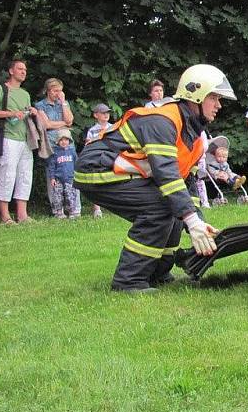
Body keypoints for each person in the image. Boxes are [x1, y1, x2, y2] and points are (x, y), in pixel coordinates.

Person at [74, 64, 234, 293]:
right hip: (96, 167)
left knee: (176, 209)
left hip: (118, 168)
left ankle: (158, 273)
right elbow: (166, 174)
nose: (219, 105)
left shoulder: (195, 137)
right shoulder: (164, 121)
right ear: (196, 94)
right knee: (160, 206)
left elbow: (185, 187)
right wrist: (191, 220)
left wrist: (197, 222)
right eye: (214, 97)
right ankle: (129, 281)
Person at [0, 59, 39, 225]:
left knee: (25, 175)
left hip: (25, 139)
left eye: (25, 69)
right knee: (7, 174)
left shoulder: (25, 94)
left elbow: (24, 114)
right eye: (20, 68)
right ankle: (5, 216)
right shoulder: (0, 89)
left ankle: (22, 215)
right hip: (8, 137)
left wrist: (31, 111)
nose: (23, 72)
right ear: (11, 71)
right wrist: (10, 114)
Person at [35, 77, 80, 217]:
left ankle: (74, 208)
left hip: (67, 144)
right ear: (48, 91)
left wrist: (64, 103)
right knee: (53, 175)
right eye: (55, 91)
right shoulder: (40, 106)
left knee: (71, 174)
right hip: (51, 144)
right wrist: (64, 124)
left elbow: (70, 120)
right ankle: (57, 209)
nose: (58, 93)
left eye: (60, 91)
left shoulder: (63, 103)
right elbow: (46, 125)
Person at [84, 103, 114, 218]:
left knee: (111, 181)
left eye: (107, 112)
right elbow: (88, 144)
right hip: (97, 157)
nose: (106, 115)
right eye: (103, 113)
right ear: (96, 115)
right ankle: (97, 209)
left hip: (110, 156)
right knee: (96, 182)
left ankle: (113, 206)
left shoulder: (113, 127)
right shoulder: (92, 130)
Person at [47, 129, 78, 219]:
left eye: (66, 140)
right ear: (58, 142)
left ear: (69, 141)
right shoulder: (55, 153)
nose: (64, 142)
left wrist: (77, 175)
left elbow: (76, 164)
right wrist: (52, 178)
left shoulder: (72, 152)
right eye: (61, 140)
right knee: (57, 195)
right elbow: (52, 166)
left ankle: (71, 211)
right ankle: (59, 212)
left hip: (70, 178)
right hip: (58, 179)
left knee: (70, 194)